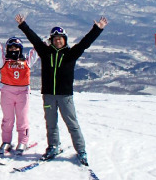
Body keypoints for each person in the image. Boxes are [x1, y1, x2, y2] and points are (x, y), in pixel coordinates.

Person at [16, 14, 108, 166]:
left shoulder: (70, 54)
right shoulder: (46, 53)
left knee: (72, 123)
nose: (58, 41)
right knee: (51, 123)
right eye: (55, 38)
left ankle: (81, 150)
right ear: (51, 40)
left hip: (65, 96)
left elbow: (85, 43)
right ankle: (53, 146)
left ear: (64, 39)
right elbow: (35, 39)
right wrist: (23, 25)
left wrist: (97, 29)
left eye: (60, 38)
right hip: (49, 95)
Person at [0, 30, 38, 155]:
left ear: (20, 49)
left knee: (22, 119)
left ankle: (23, 141)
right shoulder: (4, 61)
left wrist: (45, 42)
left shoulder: (27, 62)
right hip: (7, 93)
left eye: (16, 47)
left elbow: (36, 52)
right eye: (11, 47)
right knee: (8, 119)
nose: (13, 50)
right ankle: (6, 141)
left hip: (23, 94)